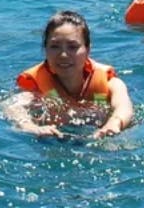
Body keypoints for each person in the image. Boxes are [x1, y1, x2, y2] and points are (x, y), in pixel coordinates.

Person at [7, 10, 134, 139]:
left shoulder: (108, 82)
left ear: (88, 49)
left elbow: (124, 105)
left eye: (73, 47)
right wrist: (31, 127)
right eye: (55, 46)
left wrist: (114, 123)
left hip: (97, 139)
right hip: (51, 139)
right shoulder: (35, 84)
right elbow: (14, 108)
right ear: (45, 49)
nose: (63, 55)